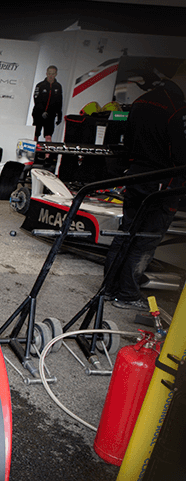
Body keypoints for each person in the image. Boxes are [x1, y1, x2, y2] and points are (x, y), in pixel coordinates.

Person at [104, 67, 186, 310]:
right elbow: (181, 155)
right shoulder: (178, 107)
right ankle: (128, 294)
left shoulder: (141, 100)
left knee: (126, 233)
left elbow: (127, 143)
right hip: (163, 182)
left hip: (136, 176)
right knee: (146, 240)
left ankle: (108, 289)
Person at [32, 65, 63, 166]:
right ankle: (33, 155)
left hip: (50, 115)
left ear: (56, 74)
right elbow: (36, 99)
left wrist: (59, 114)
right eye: (49, 73)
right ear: (46, 73)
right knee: (35, 134)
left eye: (52, 74)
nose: (50, 76)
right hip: (38, 114)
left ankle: (47, 157)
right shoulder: (40, 85)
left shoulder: (58, 87)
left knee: (48, 136)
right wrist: (41, 111)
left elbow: (59, 101)